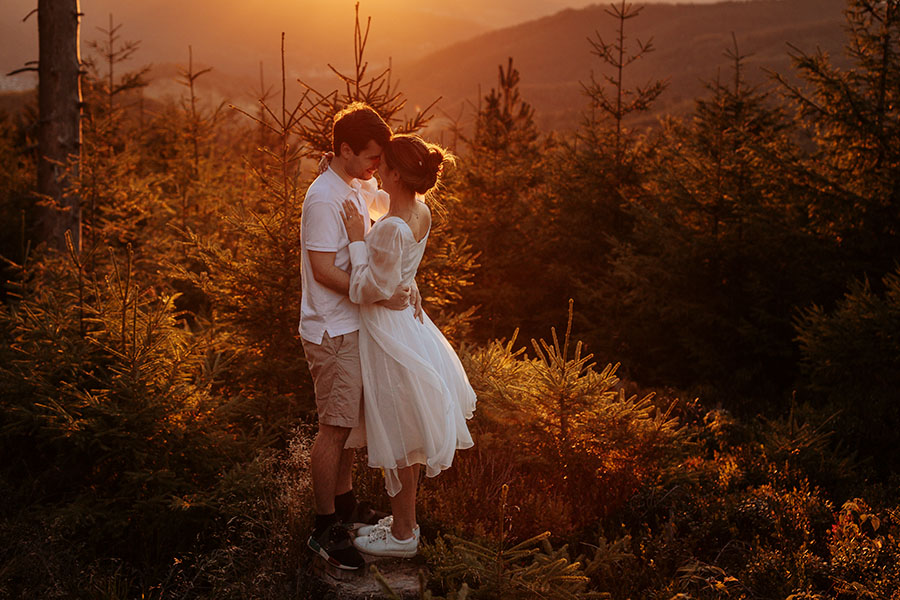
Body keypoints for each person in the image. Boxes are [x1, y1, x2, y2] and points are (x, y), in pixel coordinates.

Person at [339, 134, 477, 558]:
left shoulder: (389, 230)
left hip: (387, 333)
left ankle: (402, 537)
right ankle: (405, 525)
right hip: (409, 323)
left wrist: (358, 237)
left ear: (396, 173)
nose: (376, 170)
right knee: (409, 431)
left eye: (382, 166)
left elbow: (365, 288)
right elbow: (398, 254)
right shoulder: (420, 212)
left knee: (399, 433)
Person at [300, 102, 419, 571]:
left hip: (354, 325)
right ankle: (323, 527)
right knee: (333, 429)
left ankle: (346, 507)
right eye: (369, 156)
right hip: (332, 328)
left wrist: (400, 284)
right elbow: (322, 268)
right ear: (344, 149)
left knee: (349, 425)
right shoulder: (324, 199)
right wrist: (374, 295)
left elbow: (390, 239)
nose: (376, 164)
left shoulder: (351, 184)